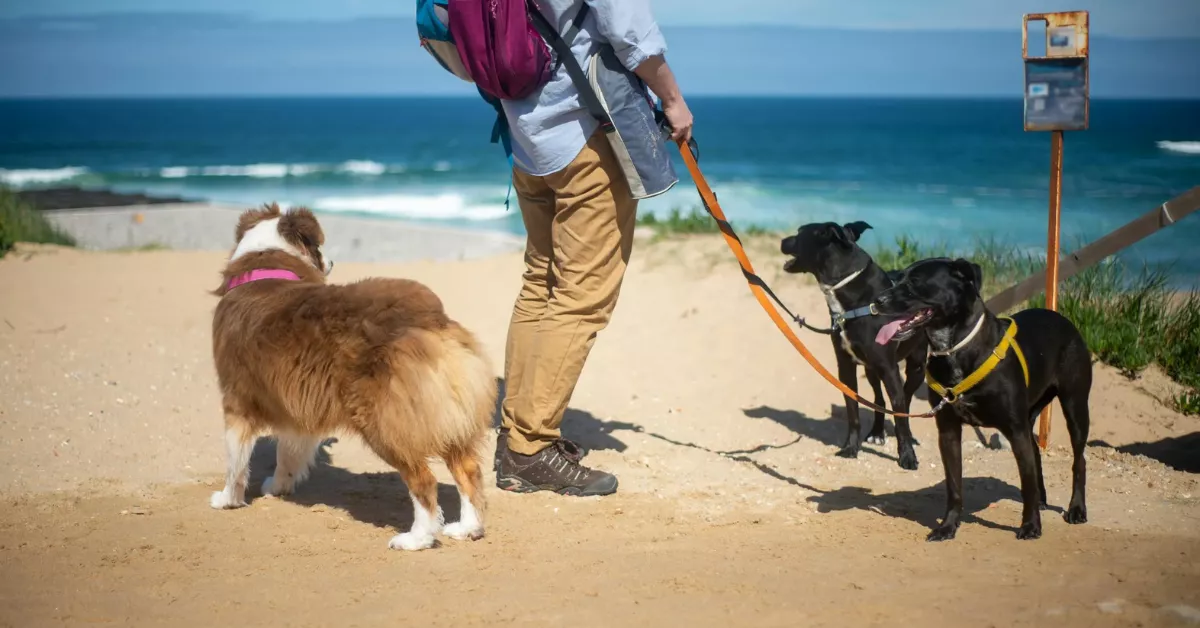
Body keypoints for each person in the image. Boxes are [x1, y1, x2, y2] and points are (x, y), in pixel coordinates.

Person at [493, 0, 693, 497]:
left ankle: (515, 435)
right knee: (581, 297)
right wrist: (672, 99)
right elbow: (629, 30)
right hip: (584, 136)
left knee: (541, 283)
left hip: (527, 137)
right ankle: (530, 448)